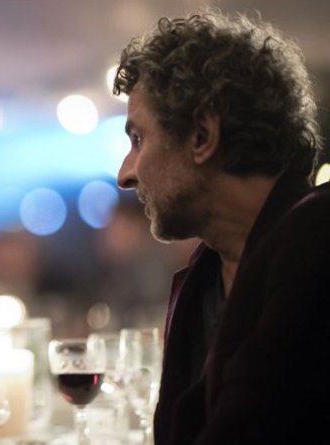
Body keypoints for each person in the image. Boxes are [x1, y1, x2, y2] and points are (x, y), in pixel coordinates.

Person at [114, 9, 329, 445]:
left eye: (138, 139)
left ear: (202, 135)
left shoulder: (317, 247)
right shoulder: (207, 273)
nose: (125, 174)